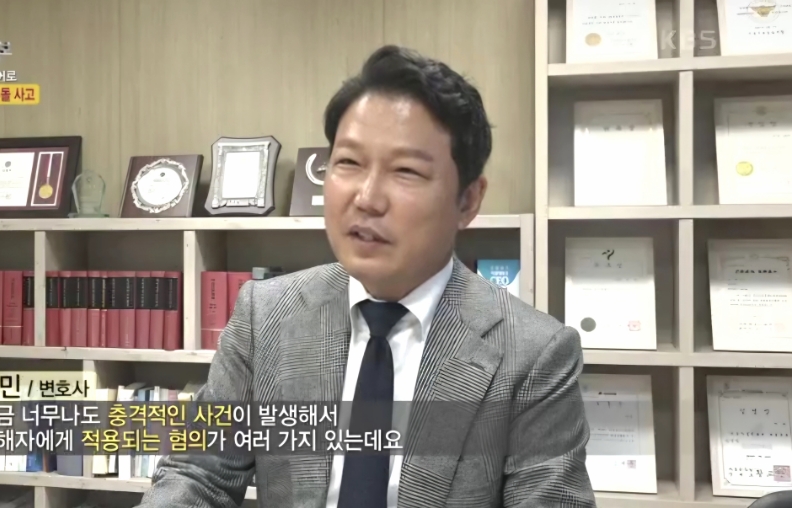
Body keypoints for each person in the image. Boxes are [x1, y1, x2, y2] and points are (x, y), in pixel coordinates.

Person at [137, 45, 595, 508]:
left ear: (468, 200)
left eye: (406, 171)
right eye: (349, 163)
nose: (367, 198)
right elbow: (198, 471)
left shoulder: (534, 354)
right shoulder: (265, 315)